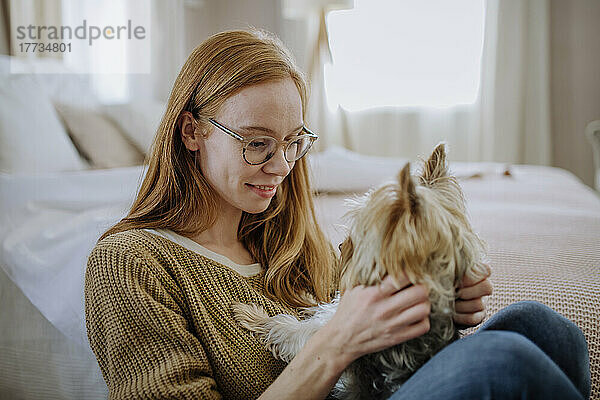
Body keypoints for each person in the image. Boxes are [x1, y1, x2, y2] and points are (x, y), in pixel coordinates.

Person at [84, 29, 590, 400]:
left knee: (542, 327)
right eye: (258, 143)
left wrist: (431, 309)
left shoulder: (289, 243)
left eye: (293, 143)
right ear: (192, 133)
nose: (281, 166)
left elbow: (373, 346)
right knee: (504, 362)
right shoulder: (131, 264)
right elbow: (341, 339)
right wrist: (334, 344)